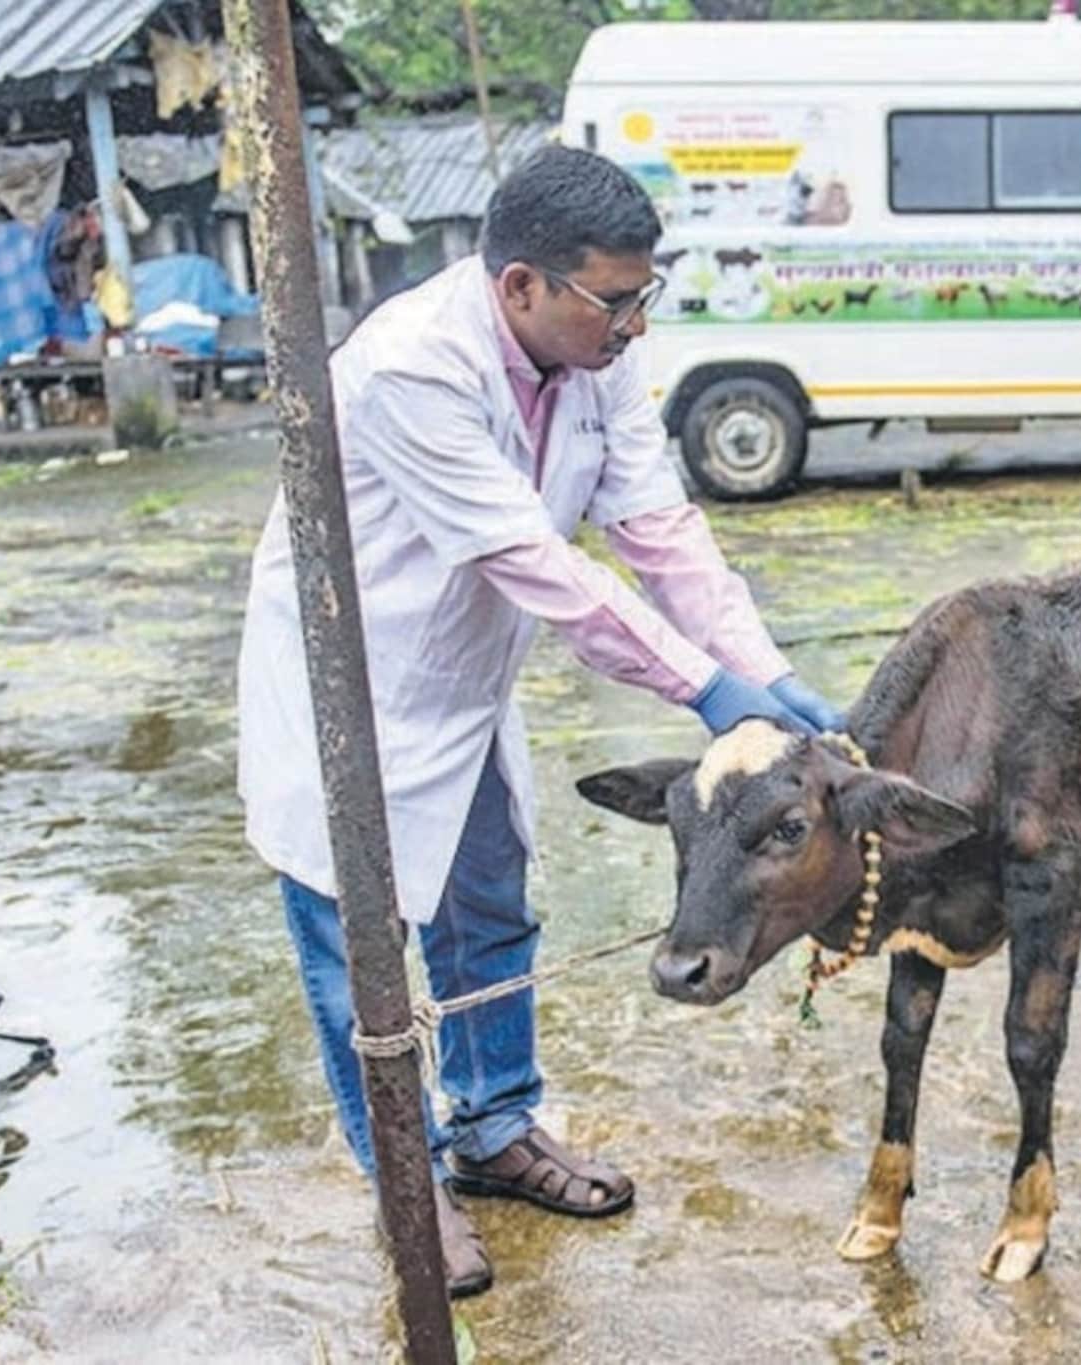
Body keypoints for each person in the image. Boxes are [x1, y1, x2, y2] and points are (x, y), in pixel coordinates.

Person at [236, 146, 843, 1299]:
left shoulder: (594, 354)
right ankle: (409, 1194)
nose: (634, 325)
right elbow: (532, 562)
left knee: (488, 909)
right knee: (353, 956)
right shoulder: (407, 368)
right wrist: (697, 690)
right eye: (616, 300)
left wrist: (762, 672)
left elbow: (655, 524)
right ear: (520, 286)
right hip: (353, 691)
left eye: (642, 296)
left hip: (461, 683)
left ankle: (496, 1128)